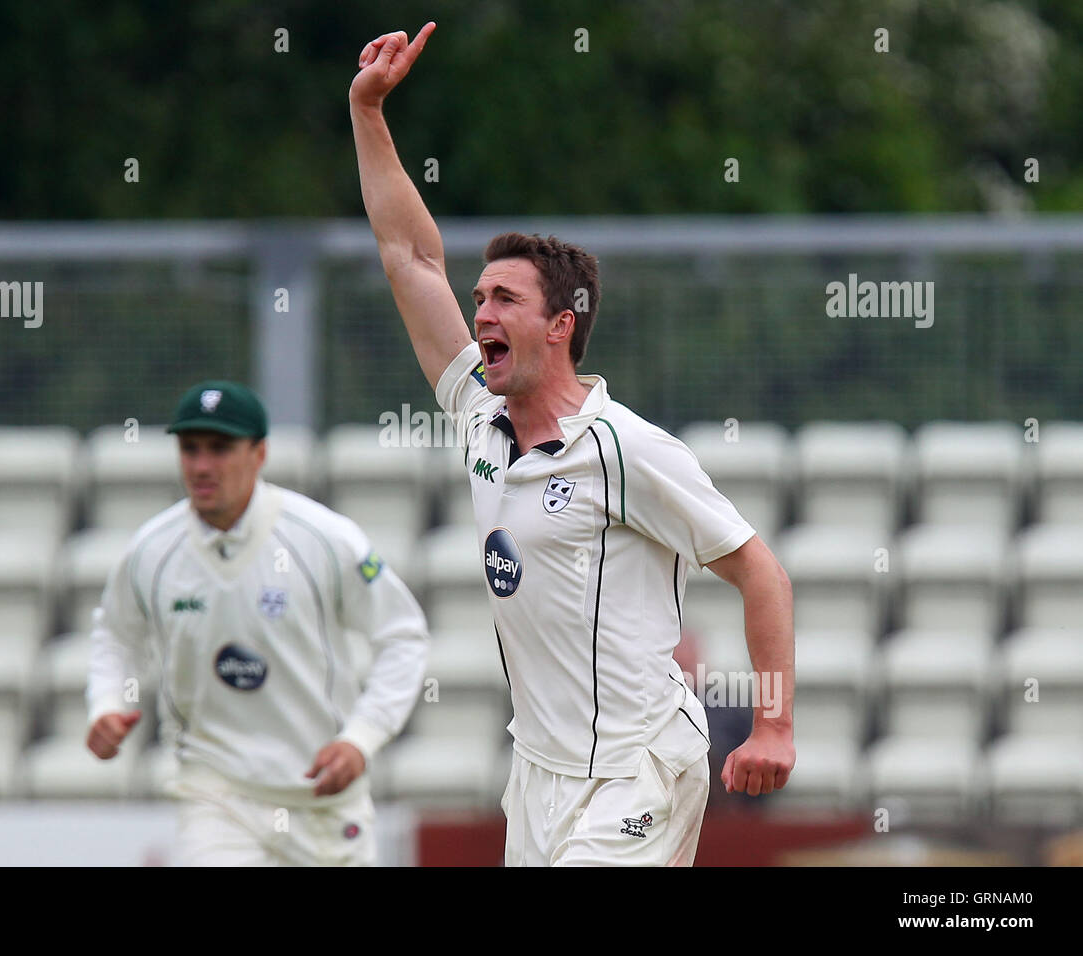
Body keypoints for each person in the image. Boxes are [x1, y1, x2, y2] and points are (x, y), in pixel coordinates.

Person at [349, 23, 795, 867]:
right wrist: (367, 110)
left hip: (640, 768)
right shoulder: (479, 417)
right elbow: (408, 255)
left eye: (505, 299)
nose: (480, 314)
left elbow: (760, 572)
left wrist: (773, 723)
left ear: (560, 326)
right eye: (479, 297)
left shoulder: (630, 449)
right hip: (540, 777)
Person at [85, 380, 430, 866]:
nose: (202, 466)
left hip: (322, 800)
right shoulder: (152, 550)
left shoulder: (323, 539)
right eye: (190, 449)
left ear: (260, 452)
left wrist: (361, 739)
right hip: (216, 794)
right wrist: (105, 704)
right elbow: (115, 634)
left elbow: (403, 635)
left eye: (221, 448)